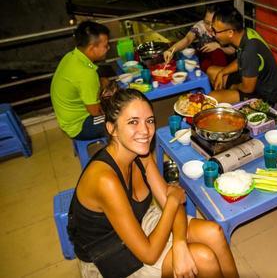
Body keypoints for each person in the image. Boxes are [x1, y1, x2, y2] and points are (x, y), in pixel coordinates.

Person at [68, 88, 239, 278]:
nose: (145, 131)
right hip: (106, 255)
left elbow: (170, 201)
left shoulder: (141, 155)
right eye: (133, 122)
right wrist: (173, 201)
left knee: (214, 232)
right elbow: (150, 253)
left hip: (138, 223)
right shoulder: (104, 180)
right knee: (202, 257)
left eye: (149, 121)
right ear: (112, 128)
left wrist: (180, 243)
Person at [206, 7, 277, 106]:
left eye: (215, 31)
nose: (213, 34)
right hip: (250, 78)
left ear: (230, 33)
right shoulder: (246, 33)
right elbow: (240, 60)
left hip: (263, 95)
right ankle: (229, 102)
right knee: (212, 71)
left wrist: (233, 87)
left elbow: (248, 88)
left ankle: (231, 107)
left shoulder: (249, 51)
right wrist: (222, 72)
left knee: (212, 98)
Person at [51, 20, 110, 140]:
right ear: (92, 48)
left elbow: (81, 83)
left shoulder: (72, 56)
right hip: (79, 125)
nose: (108, 48)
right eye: (105, 46)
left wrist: (101, 84)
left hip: (68, 118)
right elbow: (95, 112)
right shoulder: (86, 74)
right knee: (120, 120)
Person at [163, 5, 235, 72]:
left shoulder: (224, 27)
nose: (210, 27)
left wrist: (218, 47)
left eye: (213, 24)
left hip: (224, 61)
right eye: (207, 23)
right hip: (205, 59)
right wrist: (170, 50)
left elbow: (233, 50)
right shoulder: (200, 26)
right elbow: (188, 39)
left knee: (217, 53)